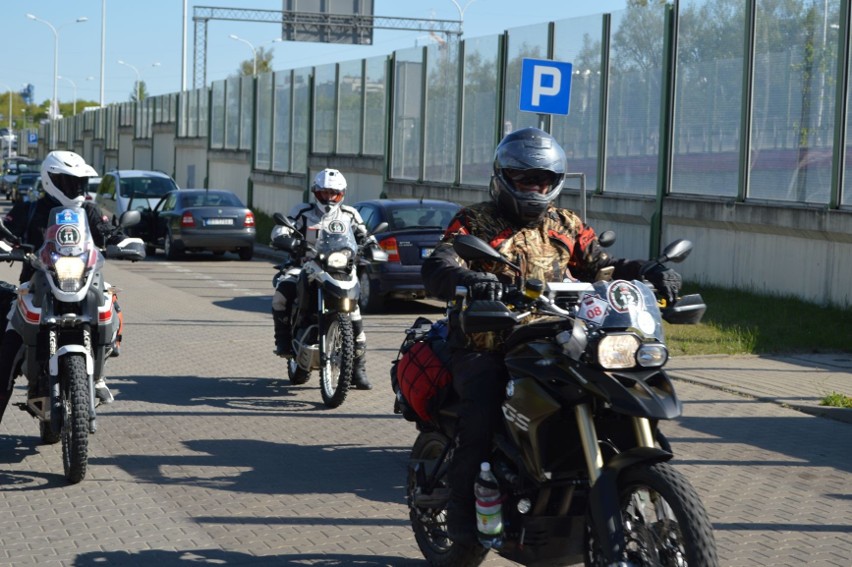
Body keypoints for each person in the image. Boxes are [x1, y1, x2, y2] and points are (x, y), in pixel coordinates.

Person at [421, 127, 682, 544]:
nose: (535, 187)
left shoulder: (566, 222)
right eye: (525, 179)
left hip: (557, 331)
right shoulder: (475, 221)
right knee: (481, 414)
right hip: (485, 340)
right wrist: (471, 279)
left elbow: (602, 268)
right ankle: (460, 517)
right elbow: (439, 263)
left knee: (605, 387)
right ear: (503, 177)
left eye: (543, 179)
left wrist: (647, 271)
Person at [0, 151, 144, 425]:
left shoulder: (88, 210)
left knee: (109, 302)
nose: (75, 187)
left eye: (79, 181)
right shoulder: (30, 209)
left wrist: (125, 242)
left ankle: (101, 366)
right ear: (51, 179)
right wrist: (7, 245)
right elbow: (6, 229)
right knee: (7, 348)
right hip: (36, 285)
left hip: (82, 280)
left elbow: (109, 232)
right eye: (68, 181)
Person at [270, 168, 377, 390]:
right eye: (324, 193)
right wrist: (286, 239)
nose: (329, 198)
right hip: (304, 266)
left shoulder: (349, 214)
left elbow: (365, 235)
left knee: (354, 315)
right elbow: (282, 228)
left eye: (334, 194)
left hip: (340, 269)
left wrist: (372, 246)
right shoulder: (303, 211)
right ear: (316, 192)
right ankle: (283, 341)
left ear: (342, 194)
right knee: (281, 294)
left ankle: (358, 368)